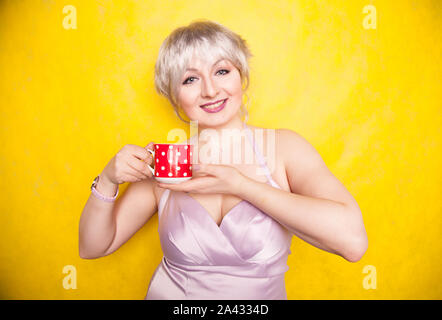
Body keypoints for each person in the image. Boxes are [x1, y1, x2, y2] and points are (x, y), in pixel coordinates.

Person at [79, 19, 368, 300]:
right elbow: (94, 246)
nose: (210, 90)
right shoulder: (167, 162)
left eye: (221, 71)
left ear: (241, 76)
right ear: (173, 95)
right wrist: (107, 180)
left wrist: (240, 185)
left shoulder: (285, 149)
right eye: (190, 79)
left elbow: (353, 243)